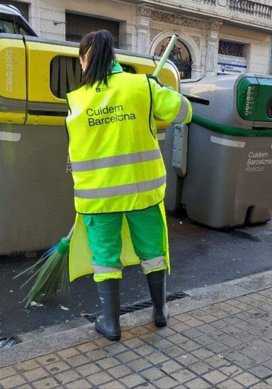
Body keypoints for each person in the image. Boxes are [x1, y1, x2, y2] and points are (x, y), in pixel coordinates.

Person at [65, 30, 192, 341]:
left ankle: (111, 324)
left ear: (86, 59)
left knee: (105, 259)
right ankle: (160, 312)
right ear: (114, 57)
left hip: (97, 198)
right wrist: (159, 90)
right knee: (152, 252)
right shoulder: (142, 87)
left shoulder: (76, 101)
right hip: (142, 193)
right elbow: (185, 113)